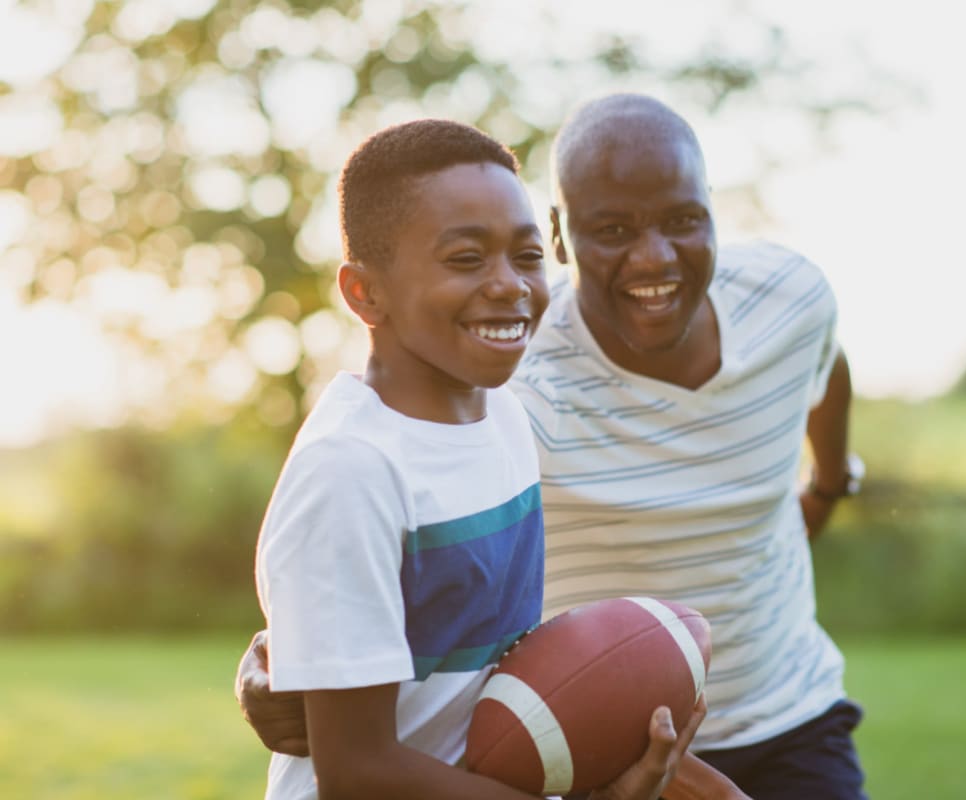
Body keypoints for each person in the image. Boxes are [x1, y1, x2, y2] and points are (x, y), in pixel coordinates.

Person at [238, 95, 867, 799]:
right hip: (559, 750)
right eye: (613, 229)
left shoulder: (787, 297)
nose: (653, 255)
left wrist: (829, 482)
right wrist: (275, 661)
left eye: (523, 255)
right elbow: (357, 747)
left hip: (772, 713)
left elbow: (825, 362)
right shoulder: (487, 405)